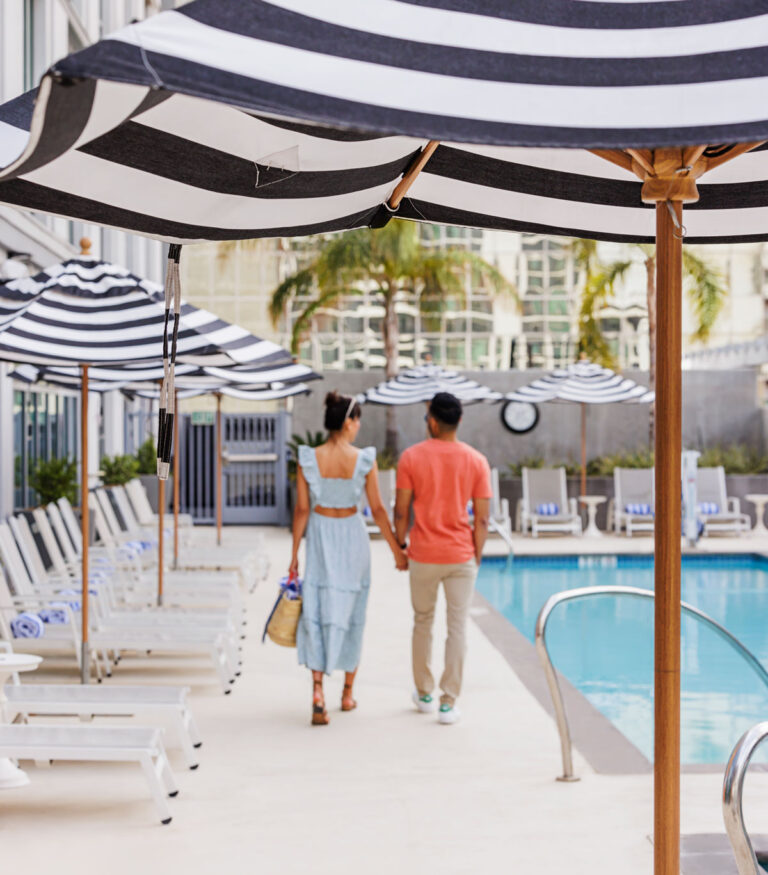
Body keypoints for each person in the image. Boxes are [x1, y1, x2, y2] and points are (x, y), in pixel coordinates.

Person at [290, 391, 408, 725]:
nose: (358, 428)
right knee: (353, 610)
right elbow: (379, 510)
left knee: (316, 608)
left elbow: (301, 510)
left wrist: (294, 556)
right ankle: (346, 693)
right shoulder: (363, 460)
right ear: (348, 422)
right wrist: (397, 551)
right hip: (353, 536)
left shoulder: (308, 458)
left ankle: (317, 691)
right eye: (357, 422)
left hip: (321, 535)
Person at [394, 392, 491, 725]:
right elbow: (481, 519)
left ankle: (424, 694)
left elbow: (400, 510)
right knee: (457, 627)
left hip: (423, 554)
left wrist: (401, 545)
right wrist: (475, 555)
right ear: (459, 421)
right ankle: (448, 702)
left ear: (432, 421)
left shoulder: (410, 458)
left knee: (422, 622)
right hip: (460, 555)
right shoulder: (477, 461)